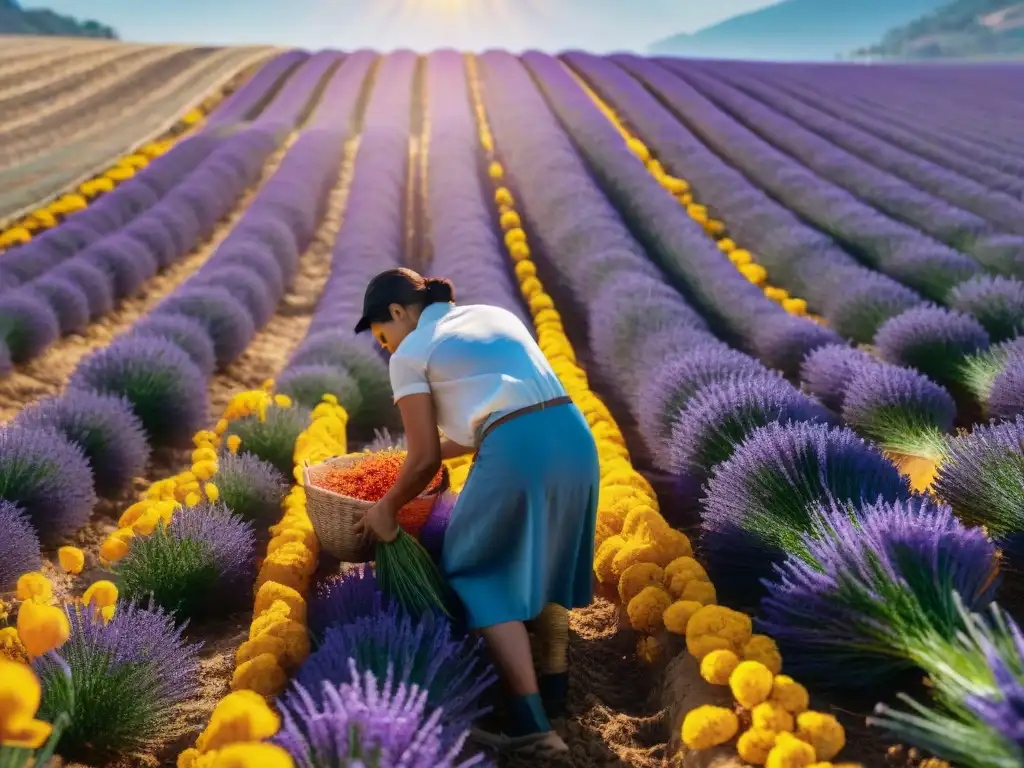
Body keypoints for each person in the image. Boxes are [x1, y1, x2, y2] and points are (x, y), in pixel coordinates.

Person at [352, 267, 598, 756]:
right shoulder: (492, 315)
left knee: (474, 568)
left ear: (399, 313)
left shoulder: (411, 356)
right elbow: (477, 428)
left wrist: (387, 506)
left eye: (383, 336)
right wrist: (400, 471)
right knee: (539, 552)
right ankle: (554, 687)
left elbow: (423, 458)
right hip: (575, 442)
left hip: (518, 450)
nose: (387, 349)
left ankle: (531, 726)